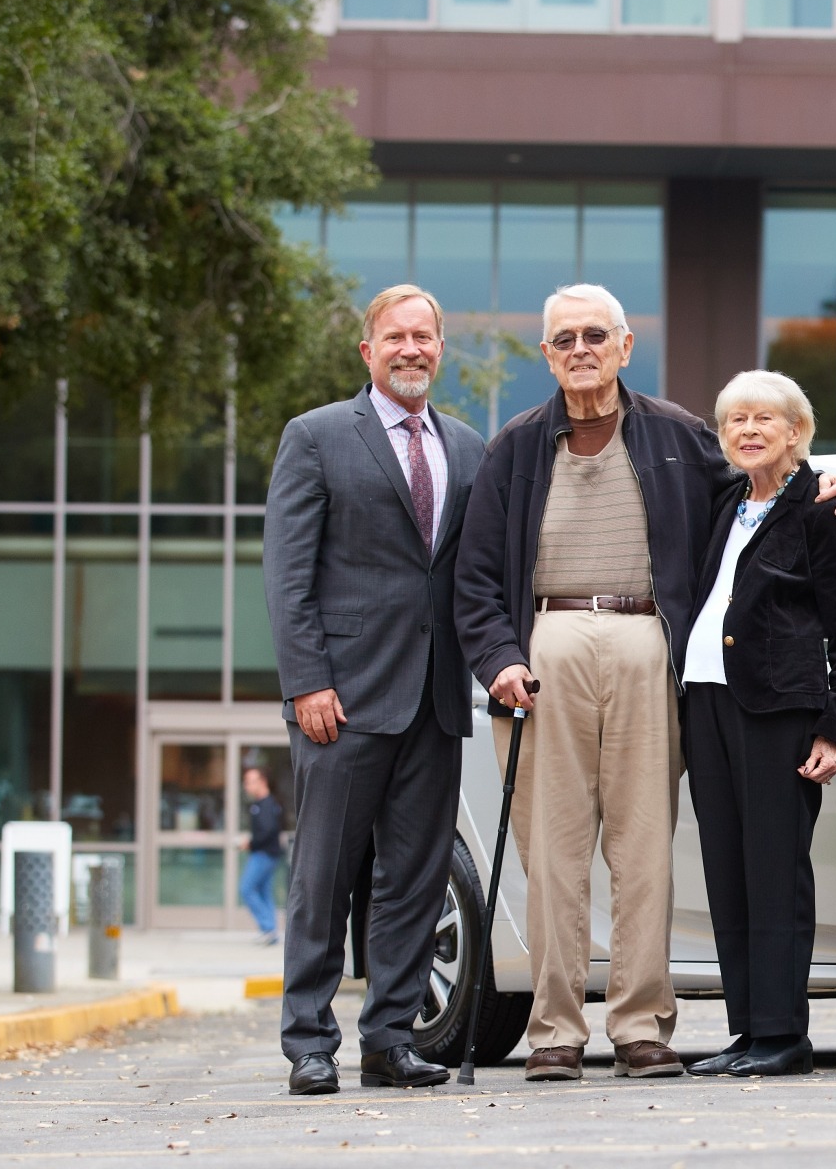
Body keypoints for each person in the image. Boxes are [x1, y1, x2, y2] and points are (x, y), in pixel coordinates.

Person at [454, 284, 836, 1083]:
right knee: (555, 852)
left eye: (595, 335)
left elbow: (769, 488)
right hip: (546, 648)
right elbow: (474, 575)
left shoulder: (680, 437)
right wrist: (499, 657)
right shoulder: (514, 447)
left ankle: (642, 1027)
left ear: (626, 345)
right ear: (546, 353)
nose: (580, 349)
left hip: (651, 645)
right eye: (563, 338)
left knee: (645, 850)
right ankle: (556, 1033)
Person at [263, 283, 486, 1096]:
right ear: (369, 350)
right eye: (396, 337)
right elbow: (288, 577)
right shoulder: (317, 437)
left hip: (434, 699)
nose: (412, 349)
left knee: (414, 880)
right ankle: (308, 1041)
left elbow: (474, 576)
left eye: (425, 337)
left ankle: (389, 1038)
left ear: (439, 349)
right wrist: (307, 681)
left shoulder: (466, 447)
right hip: (342, 701)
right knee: (323, 877)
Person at [682, 371, 836, 1078]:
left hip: (779, 711)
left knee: (774, 872)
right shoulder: (725, 500)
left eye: (765, 419)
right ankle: (745, 1030)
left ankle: (782, 1034)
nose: (748, 430)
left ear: (797, 432)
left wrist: (834, 728)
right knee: (728, 872)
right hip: (707, 703)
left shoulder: (822, 509)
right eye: (736, 421)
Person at [239, 766, 283, 945]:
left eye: (250, 782)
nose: (246, 786)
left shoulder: (266, 805)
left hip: (264, 854)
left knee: (246, 888)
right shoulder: (262, 804)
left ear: (262, 782)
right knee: (264, 892)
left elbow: (269, 830)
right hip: (266, 854)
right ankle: (270, 931)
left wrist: (251, 843)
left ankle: (267, 927)